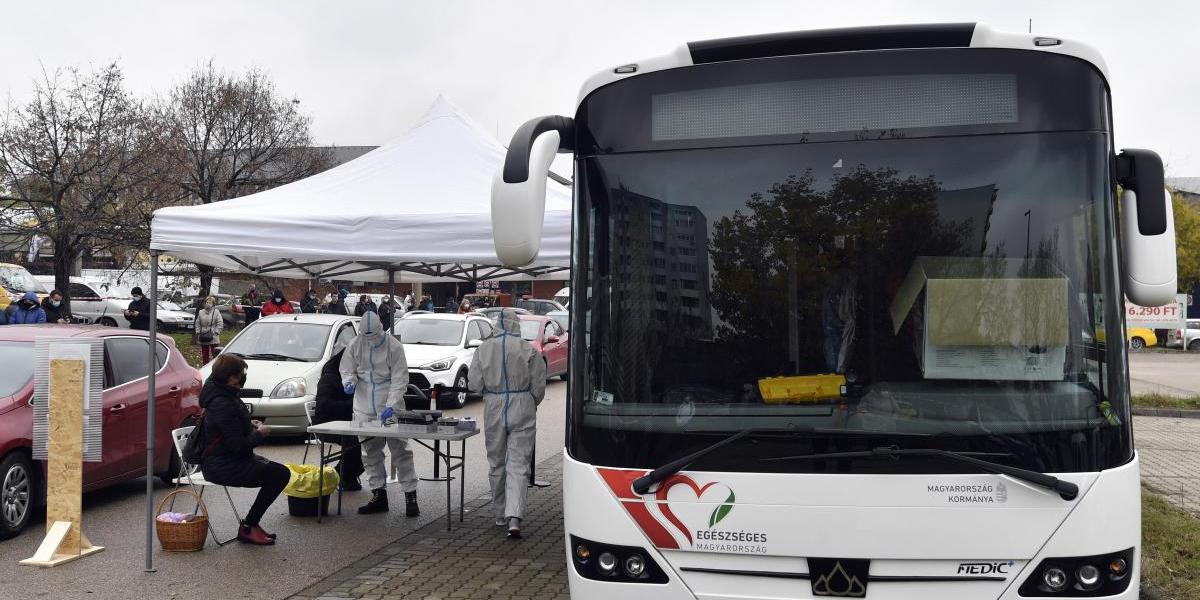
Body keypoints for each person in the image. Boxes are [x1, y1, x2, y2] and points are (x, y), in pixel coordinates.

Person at [468, 309, 547, 538]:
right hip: (522, 403)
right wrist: (530, 401)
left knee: (496, 461)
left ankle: (500, 513)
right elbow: (539, 384)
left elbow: (474, 384)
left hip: (494, 404)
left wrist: (491, 391)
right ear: (516, 325)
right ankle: (515, 517)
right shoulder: (527, 349)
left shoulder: (483, 349)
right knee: (519, 462)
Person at [198, 354, 291, 545]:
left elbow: (228, 429)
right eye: (240, 373)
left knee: (279, 472)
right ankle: (248, 526)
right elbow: (238, 446)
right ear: (231, 377)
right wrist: (260, 434)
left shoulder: (221, 394)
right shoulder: (222, 402)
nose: (243, 377)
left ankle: (251, 525)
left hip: (226, 460)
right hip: (224, 466)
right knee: (280, 475)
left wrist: (249, 424)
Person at [340, 311, 418, 516]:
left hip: (390, 402)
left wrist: (391, 404)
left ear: (380, 328)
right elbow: (347, 369)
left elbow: (400, 379)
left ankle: (410, 495)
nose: (370, 340)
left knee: (401, 450)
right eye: (366, 336)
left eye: (372, 335)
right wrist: (348, 382)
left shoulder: (394, 346)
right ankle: (378, 495)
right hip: (363, 404)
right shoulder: (355, 344)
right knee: (369, 452)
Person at [314, 346, 364, 491]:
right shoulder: (330, 378)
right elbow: (324, 405)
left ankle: (347, 475)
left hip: (347, 424)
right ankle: (340, 475)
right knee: (357, 442)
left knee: (374, 440)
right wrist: (352, 405)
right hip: (327, 425)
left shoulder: (350, 378)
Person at [195, 296, 224, 364]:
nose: (208, 304)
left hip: (213, 335)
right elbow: (197, 323)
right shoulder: (201, 312)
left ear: (213, 304)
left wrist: (216, 332)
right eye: (207, 302)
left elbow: (220, 323)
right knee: (205, 355)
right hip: (203, 335)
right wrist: (198, 332)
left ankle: (215, 366)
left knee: (215, 354)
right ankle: (205, 366)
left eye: (210, 302)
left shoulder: (216, 312)